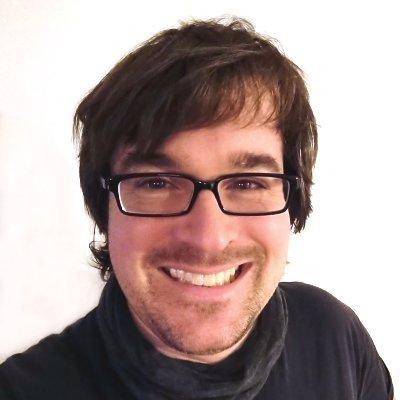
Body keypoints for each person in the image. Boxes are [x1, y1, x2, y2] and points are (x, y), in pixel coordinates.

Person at [0, 17, 394, 400]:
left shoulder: (335, 336)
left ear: (293, 203)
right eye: (156, 183)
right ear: (104, 208)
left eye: (247, 183)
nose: (209, 238)